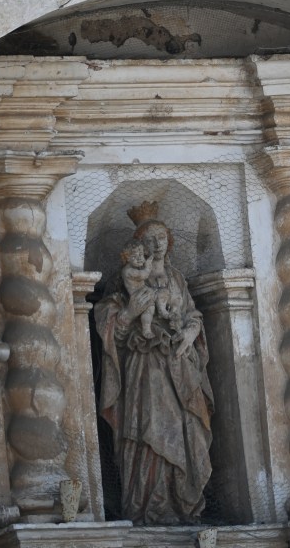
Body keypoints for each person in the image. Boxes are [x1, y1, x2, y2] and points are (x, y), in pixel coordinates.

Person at [94, 203, 213, 525]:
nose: (157, 243)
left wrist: (191, 332)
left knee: (186, 429)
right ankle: (147, 503)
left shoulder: (177, 279)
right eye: (149, 238)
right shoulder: (123, 281)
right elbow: (109, 324)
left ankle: (182, 502)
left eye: (162, 237)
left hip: (181, 364)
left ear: (169, 241)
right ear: (137, 245)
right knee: (149, 427)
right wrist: (130, 313)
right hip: (145, 368)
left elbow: (192, 314)